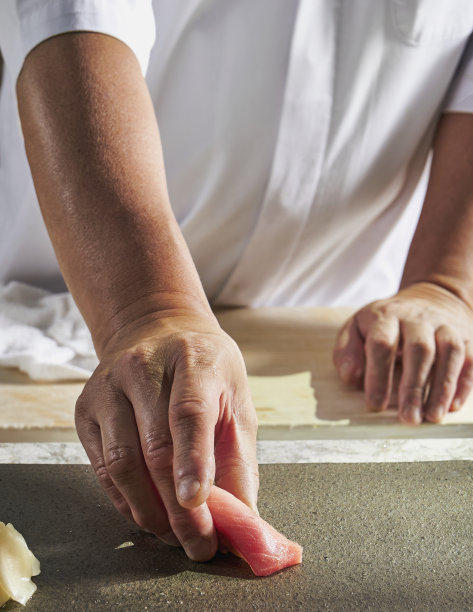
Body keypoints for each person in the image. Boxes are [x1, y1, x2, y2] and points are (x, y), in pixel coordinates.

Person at [1, 0, 473, 561]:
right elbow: (71, 20)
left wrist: (445, 282)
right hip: (76, 302)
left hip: (330, 317)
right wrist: (145, 307)